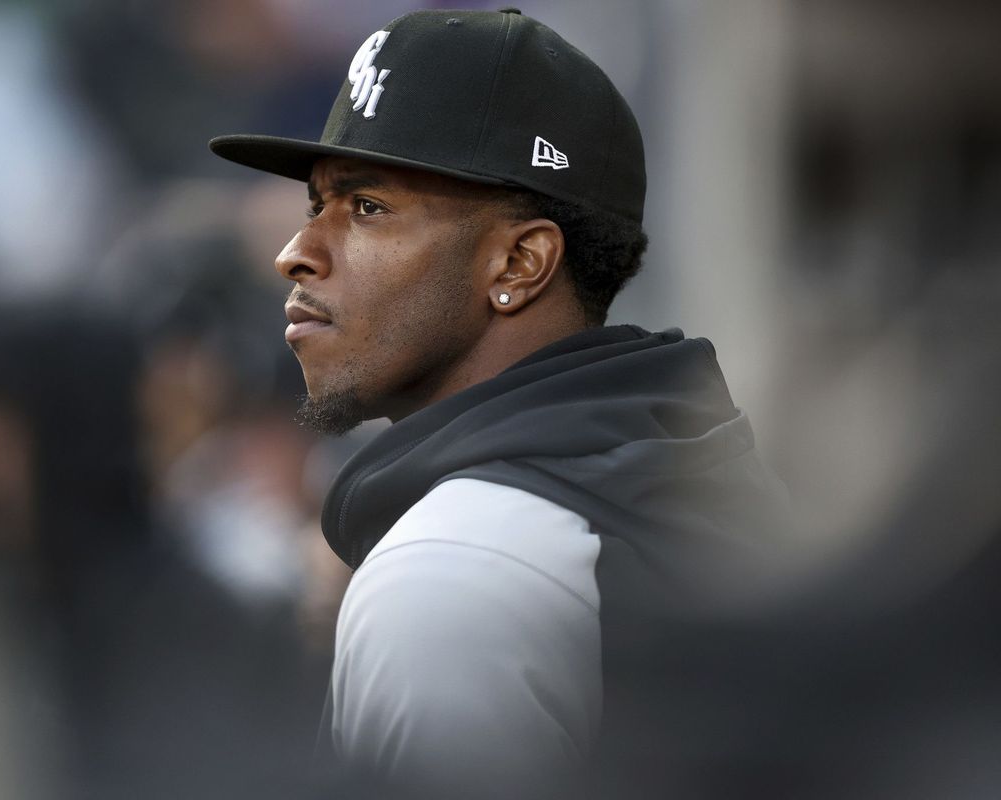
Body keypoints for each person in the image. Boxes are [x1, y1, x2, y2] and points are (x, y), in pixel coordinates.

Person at [210, 8, 791, 797]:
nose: (296, 254)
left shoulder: (454, 572)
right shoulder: (664, 456)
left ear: (519, 262)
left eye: (367, 207)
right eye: (317, 206)